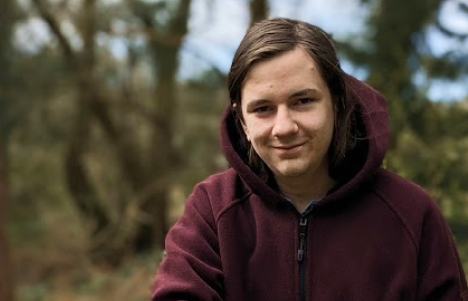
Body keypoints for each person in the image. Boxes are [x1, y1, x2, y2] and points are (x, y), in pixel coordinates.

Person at [151, 17, 468, 301]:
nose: (284, 127)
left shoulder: (412, 214)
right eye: (263, 109)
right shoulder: (213, 209)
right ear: (242, 122)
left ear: (337, 103)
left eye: (303, 101)